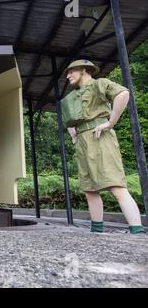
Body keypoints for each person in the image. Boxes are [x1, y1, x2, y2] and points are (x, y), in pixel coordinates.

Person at [62, 59, 145, 234]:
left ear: (84, 69)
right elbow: (68, 119)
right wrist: (73, 135)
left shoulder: (99, 84)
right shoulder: (72, 96)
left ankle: (137, 231)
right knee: (89, 189)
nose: (68, 76)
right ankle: (96, 231)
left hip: (100, 136)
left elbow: (123, 94)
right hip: (82, 141)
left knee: (115, 184)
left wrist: (110, 123)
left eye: (71, 71)